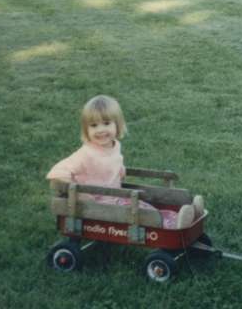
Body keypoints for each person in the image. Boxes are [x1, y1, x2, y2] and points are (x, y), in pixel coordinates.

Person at [46, 95, 199, 229]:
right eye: (93, 125)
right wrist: (78, 192)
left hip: (115, 196)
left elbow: (111, 162)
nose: (100, 130)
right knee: (142, 212)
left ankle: (183, 216)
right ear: (86, 130)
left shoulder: (115, 145)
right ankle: (174, 223)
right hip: (97, 203)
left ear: (117, 125)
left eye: (106, 123)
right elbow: (58, 172)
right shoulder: (86, 154)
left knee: (144, 207)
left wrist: (120, 169)